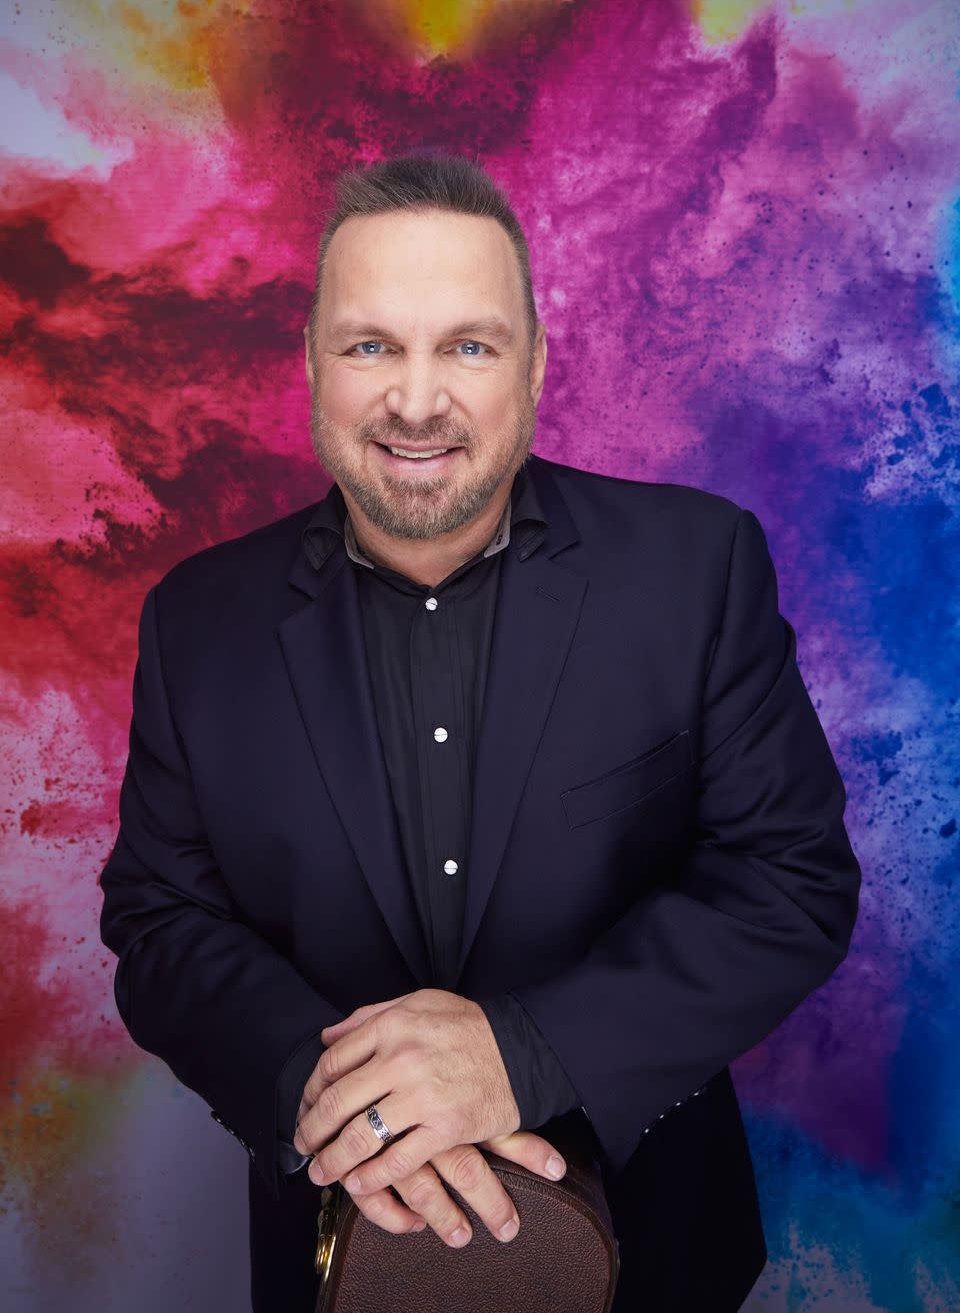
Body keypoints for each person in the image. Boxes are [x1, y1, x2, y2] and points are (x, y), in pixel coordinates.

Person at [99, 150, 861, 1312]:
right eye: (370, 346)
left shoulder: (696, 569)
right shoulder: (196, 623)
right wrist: (344, 1095)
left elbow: (790, 880)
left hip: (655, 1256)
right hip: (334, 1260)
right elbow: (159, 925)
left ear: (535, 364)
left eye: (467, 345)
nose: (415, 400)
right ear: (311, 359)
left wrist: (524, 1055)